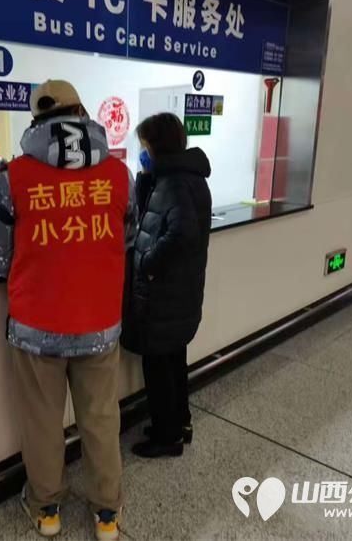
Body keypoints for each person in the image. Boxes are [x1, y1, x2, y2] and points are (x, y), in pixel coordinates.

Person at [0, 80, 137, 540]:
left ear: (36, 121)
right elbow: (127, 238)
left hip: (36, 328)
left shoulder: (11, 177)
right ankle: (107, 514)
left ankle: (47, 510)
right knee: (101, 419)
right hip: (99, 325)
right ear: (81, 113)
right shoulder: (118, 175)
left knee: (43, 423)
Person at [120, 112, 212, 459]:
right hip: (178, 294)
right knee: (174, 362)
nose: (141, 152)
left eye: (144, 145)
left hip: (163, 297)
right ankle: (180, 423)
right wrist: (146, 179)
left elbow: (182, 234)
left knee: (158, 368)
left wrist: (147, 263)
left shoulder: (173, 183)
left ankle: (167, 437)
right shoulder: (184, 177)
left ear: (156, 146)